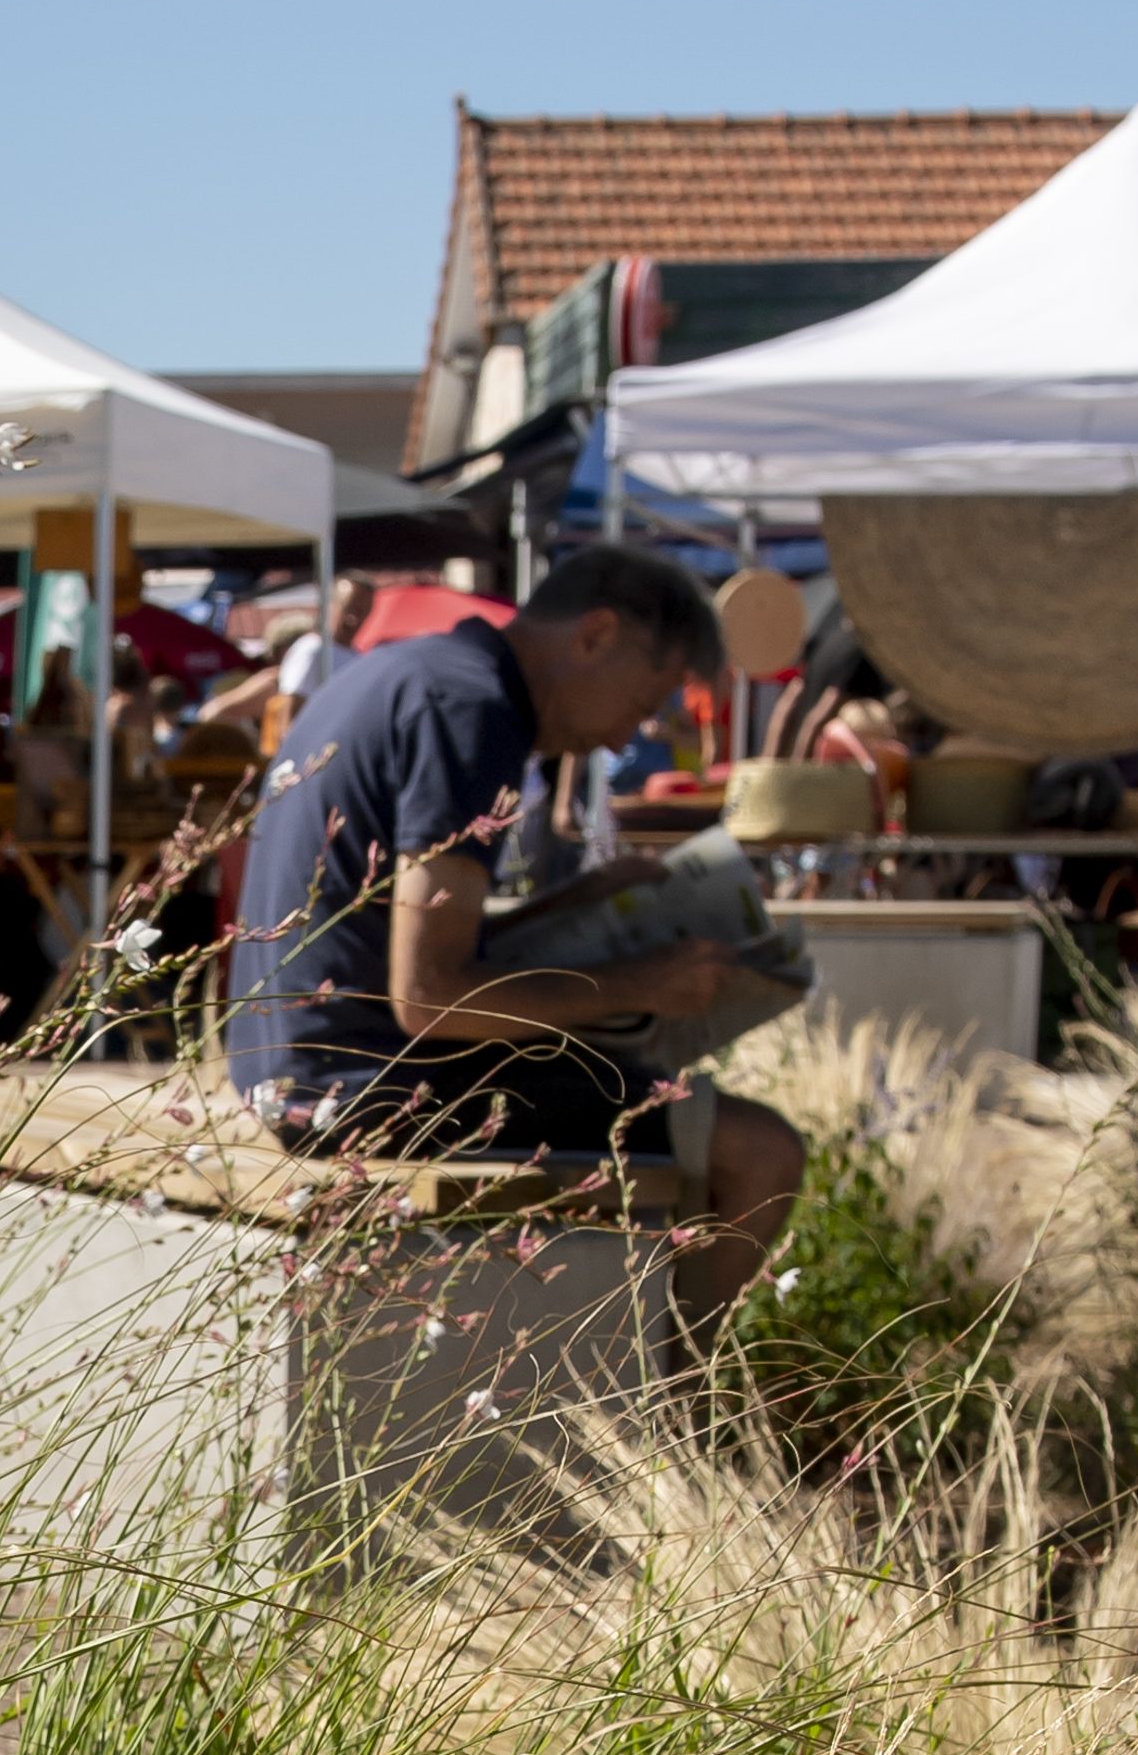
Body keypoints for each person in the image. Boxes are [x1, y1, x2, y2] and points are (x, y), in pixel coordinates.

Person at [227, 535, 804, 1343]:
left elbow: (396, 948)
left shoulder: (419, 673)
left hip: (292, 1064)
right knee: (762, 1153)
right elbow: (429, 997)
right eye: (646, 702)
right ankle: (675, 1416)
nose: (620, 740)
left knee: (642, 1090)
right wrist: (642, 985)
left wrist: (574, 904)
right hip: (356, 1085)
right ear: (595, 636)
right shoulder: (478, 712)